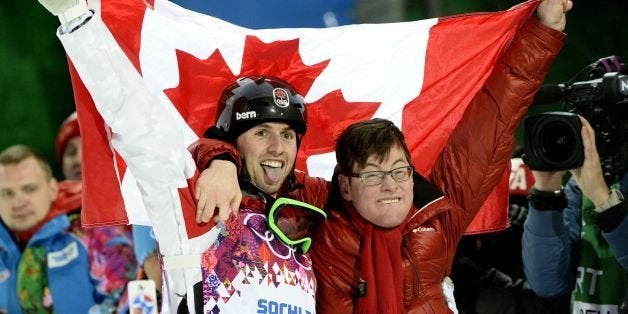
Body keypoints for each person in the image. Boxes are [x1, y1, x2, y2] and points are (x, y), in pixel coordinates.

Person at [192, 1, 570, 312]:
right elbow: (186, 155)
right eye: (372, 175)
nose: (391, 185)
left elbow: (493, 124)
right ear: (347, 185)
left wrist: (543, 31)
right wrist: (220, 160)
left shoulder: (437, 216)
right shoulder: (316, 210)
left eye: (399, 170)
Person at [179, 76, 329, 313]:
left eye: (287, 135)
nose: (277, 148)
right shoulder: (207, 192)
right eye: (262, 133)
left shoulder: (305, 195)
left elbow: (359, 189)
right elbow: (172, 157)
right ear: (231, 140)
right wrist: (221, 158)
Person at [522, 116, 628, 313]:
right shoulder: (582, 185)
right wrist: (546, 190)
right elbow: (548, 283)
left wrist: (605, 201)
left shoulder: (594, 187)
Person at [55, 112, 139, 312]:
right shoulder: (49, 220)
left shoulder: (139, 202)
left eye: (86, 145)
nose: (77, 159)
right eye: (70, 152)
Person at [0, 145, 99, 313]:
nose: (18, 203)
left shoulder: (93, 234)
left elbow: (126, 300)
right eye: (7, 193)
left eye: (29, 189)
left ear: (53, 189)